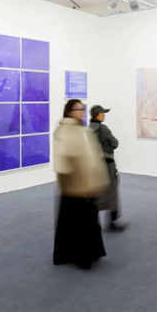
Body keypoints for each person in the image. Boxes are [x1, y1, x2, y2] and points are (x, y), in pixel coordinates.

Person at [53, 99, 110, 269]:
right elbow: (62, 161)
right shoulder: (63, 130)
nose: (82, 112)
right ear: (69, 111)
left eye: (82, 109)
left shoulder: (83, 129)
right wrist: (72, 181)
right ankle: (81, 257)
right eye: (78, 109)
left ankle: (91, 254)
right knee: (79, 223)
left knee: (86, 221)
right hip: (74, 186)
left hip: (86, 184)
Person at [89, 105, 128, 232]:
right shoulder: (103, 128)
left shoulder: (88, 129)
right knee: (112, 192)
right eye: (102, 113)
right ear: (97, 115)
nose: (104, 115)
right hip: (107, 165)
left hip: (94, 166)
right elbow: (115, 143)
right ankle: (112, 223)